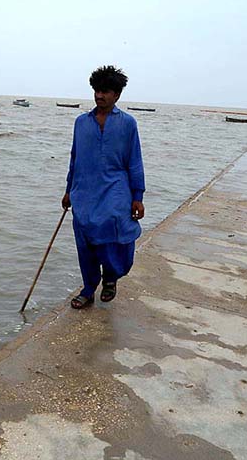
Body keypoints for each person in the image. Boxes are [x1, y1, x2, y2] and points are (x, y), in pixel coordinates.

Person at [62, 65, 145, 309]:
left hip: (116, 189)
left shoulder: (128, 123)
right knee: (85, 242)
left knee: (114, 235)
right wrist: (68, 190)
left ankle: (111, 277)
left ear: (117, 95)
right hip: (84, 191)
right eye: (97, 90)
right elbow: (74, 157)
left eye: (106, 91)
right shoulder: (81, 122)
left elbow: (135, 160)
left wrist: (137, 196)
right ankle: (88, 289)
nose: (100, 96)